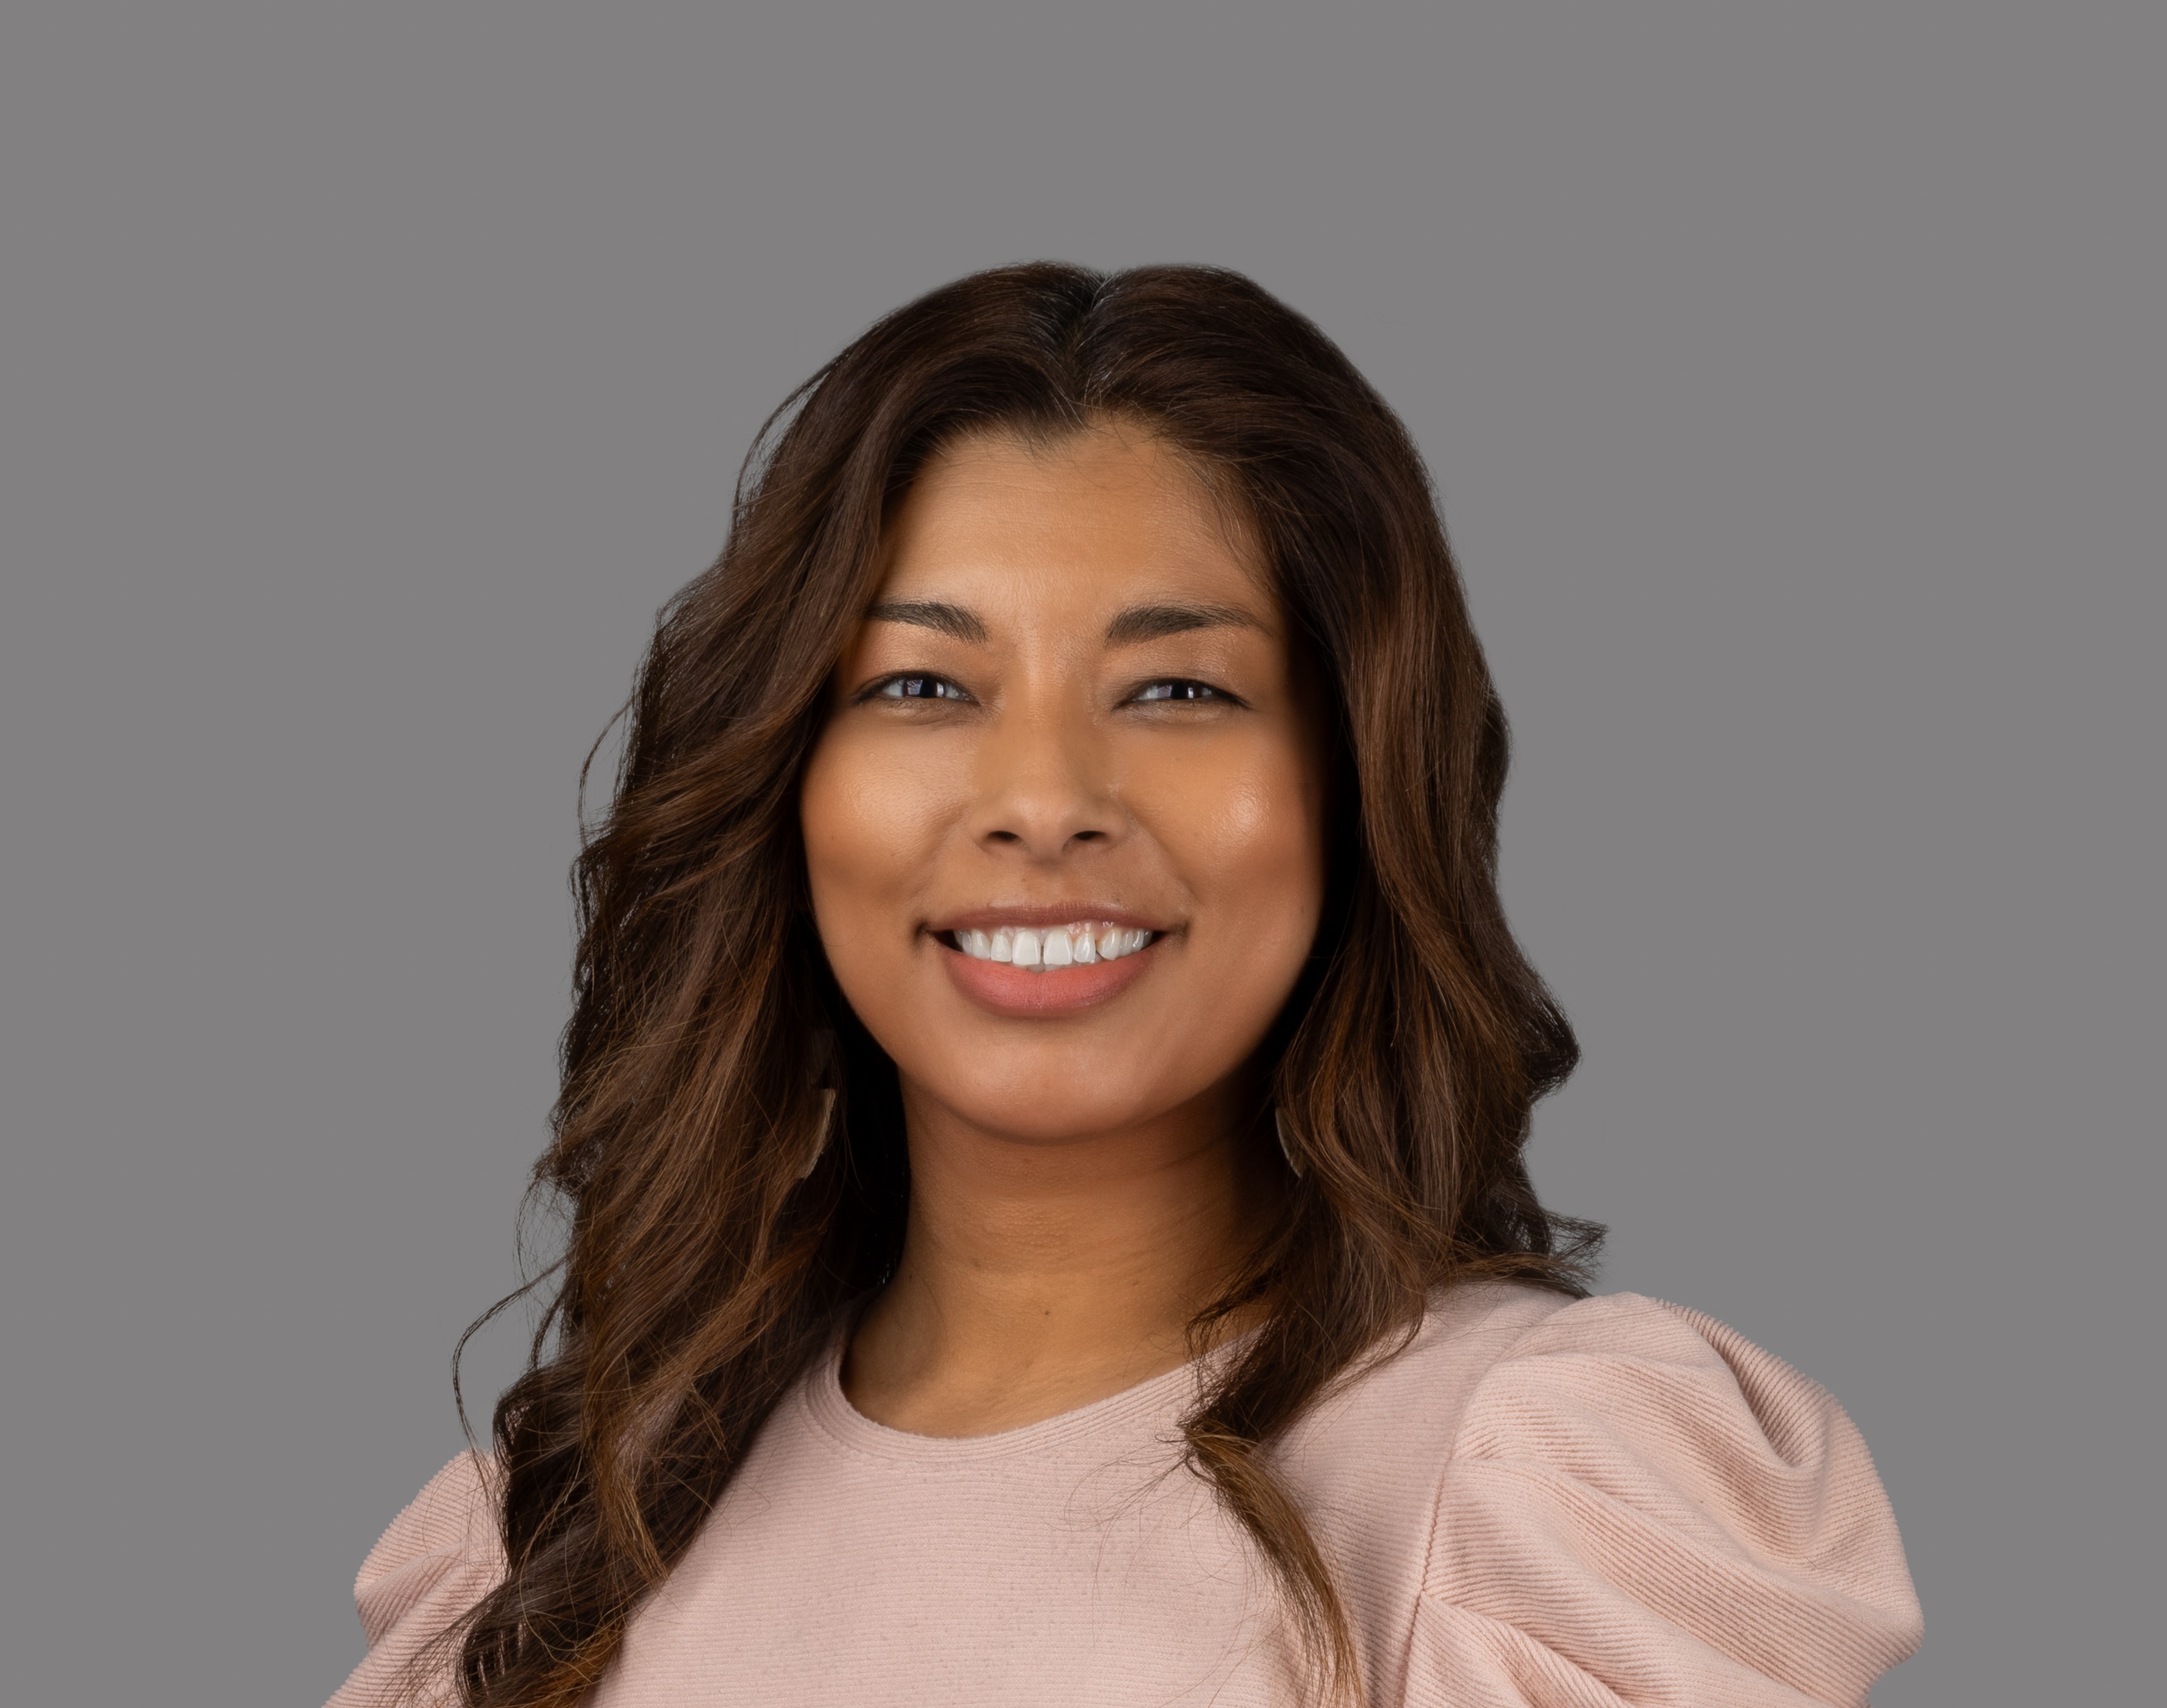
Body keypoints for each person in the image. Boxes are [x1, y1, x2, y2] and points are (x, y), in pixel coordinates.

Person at [326, 263, 1922, 1708]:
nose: (1043, 796)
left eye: (1177, 685)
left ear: (1350, 785)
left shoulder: (1528, 1490)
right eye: (923, 684)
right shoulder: (555, 1545)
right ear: (788, 785)